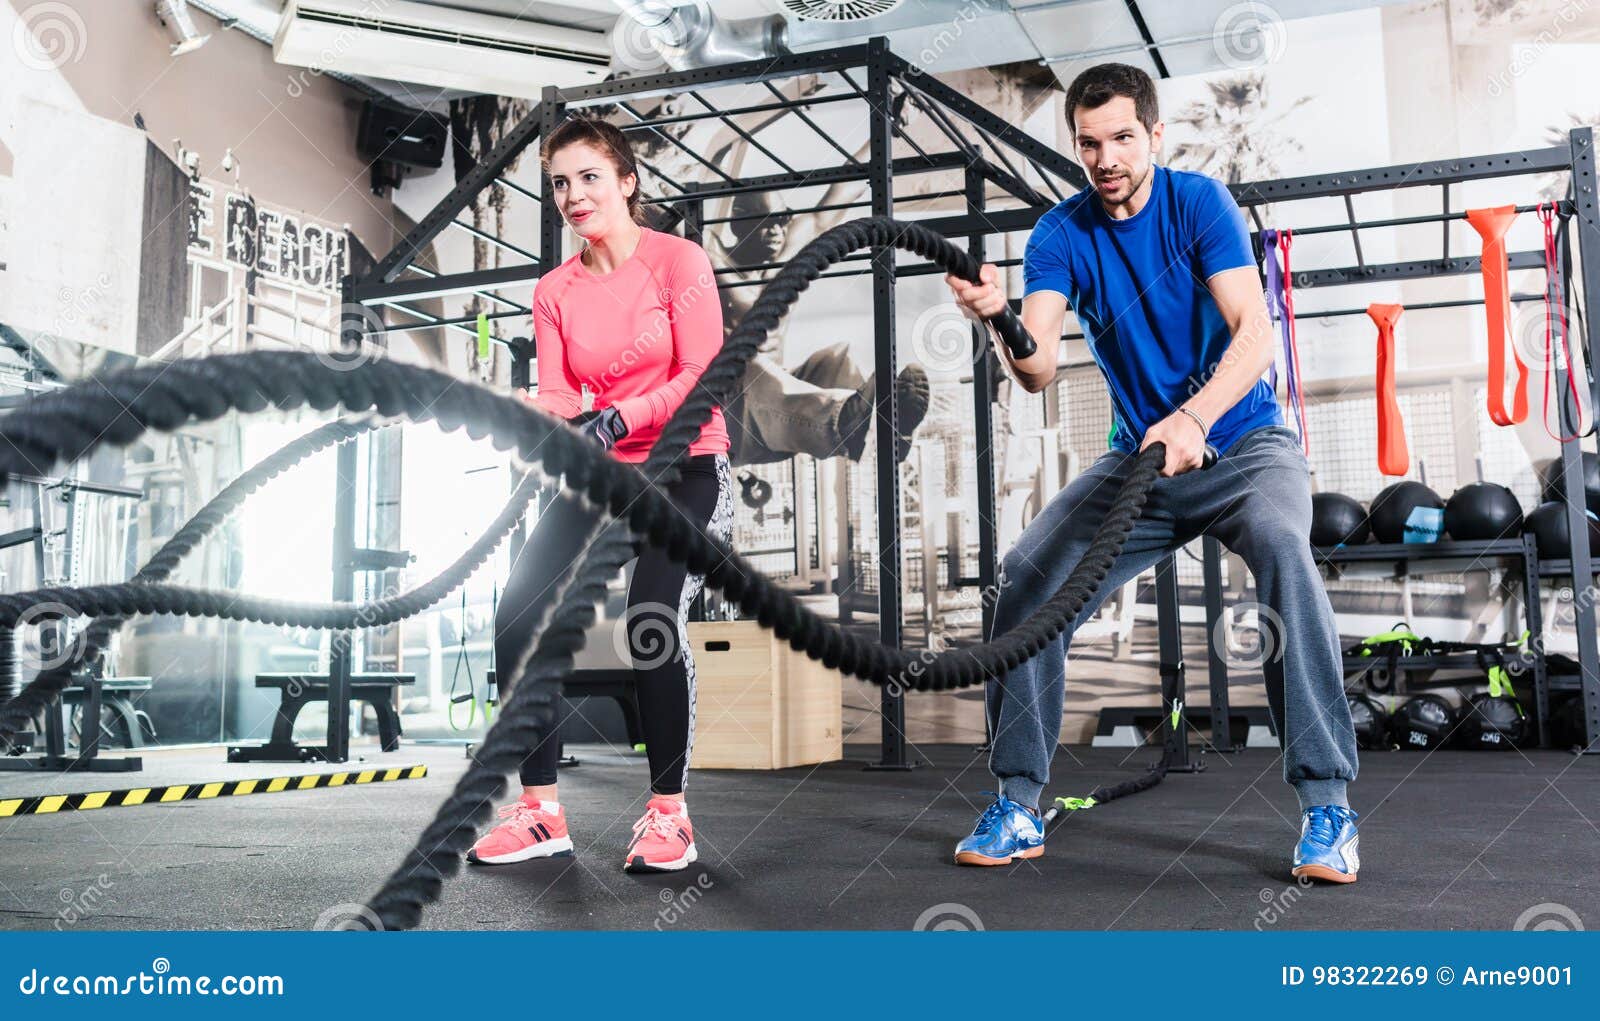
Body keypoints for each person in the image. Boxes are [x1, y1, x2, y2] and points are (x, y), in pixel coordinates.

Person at [943, 64, 1360, 883]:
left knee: (1283, 545)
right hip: (1143, 463)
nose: (1107, 159)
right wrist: (998, 319)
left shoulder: (1198, 203)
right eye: (1089, 143)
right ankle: (1020, 800)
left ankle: (1327, 804)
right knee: (1028, 572)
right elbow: (1037, 370)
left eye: (1123, 138)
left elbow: (1255, 333)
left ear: (1155, 136)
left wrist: (1196, 418)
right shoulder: (1060, 234)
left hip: (1242, 445)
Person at [468, 115, 733, 874]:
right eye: (559, 182)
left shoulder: (678, 263)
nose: (573, 195)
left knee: (650, 612)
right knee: (518, 609)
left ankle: (669, 817)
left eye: (589, 177)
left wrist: (620, 413)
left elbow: (702, 376)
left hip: (685, 459)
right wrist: (545, 428)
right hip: (603, 467)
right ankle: (541, 809)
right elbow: (557, 395)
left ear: (627, 181)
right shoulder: (554, 290)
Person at [702, 149, 930, 466]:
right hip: (726, 420)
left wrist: (888, 125)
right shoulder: (710, 258)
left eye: (782, 223)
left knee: (836, 359)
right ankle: (846, 421)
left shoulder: (783, 257)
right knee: (754, 369)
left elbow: (836, 199)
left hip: (778, 414)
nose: (776, 234)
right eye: (766, 225)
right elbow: (660, 217)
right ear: (740, 226)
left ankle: (885, 425)